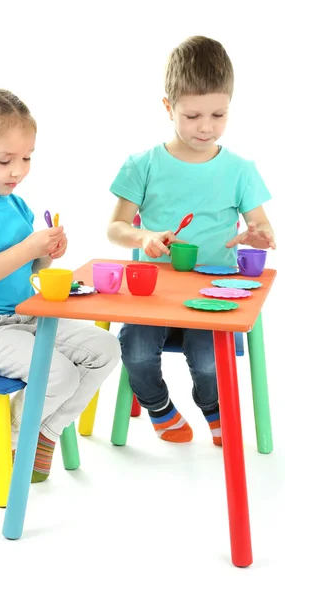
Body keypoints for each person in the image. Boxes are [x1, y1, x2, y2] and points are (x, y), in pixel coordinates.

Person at [0, 88, 120, 487]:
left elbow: (27, 268)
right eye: (5, 160)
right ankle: (5, 437)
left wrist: (46, 253)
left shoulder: (16, 204)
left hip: (26, 317)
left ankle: (43, 433)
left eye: (27, 158)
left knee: (105, 349)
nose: (18, 170)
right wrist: (27, 247)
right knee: (58, 374)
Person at [107, 36, 276, 446]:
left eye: (219, 114)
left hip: (215, 293)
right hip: (155, 293)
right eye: (193, 115)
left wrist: (259, 234)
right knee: (136, 350)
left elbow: (264, 230)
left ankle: (214, 407)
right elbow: (115, 227)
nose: (206, 127)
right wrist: (144, 235)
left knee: (207, 363)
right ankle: (159, 406)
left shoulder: (240, 170)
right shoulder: (142, 165)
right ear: (168, 108)